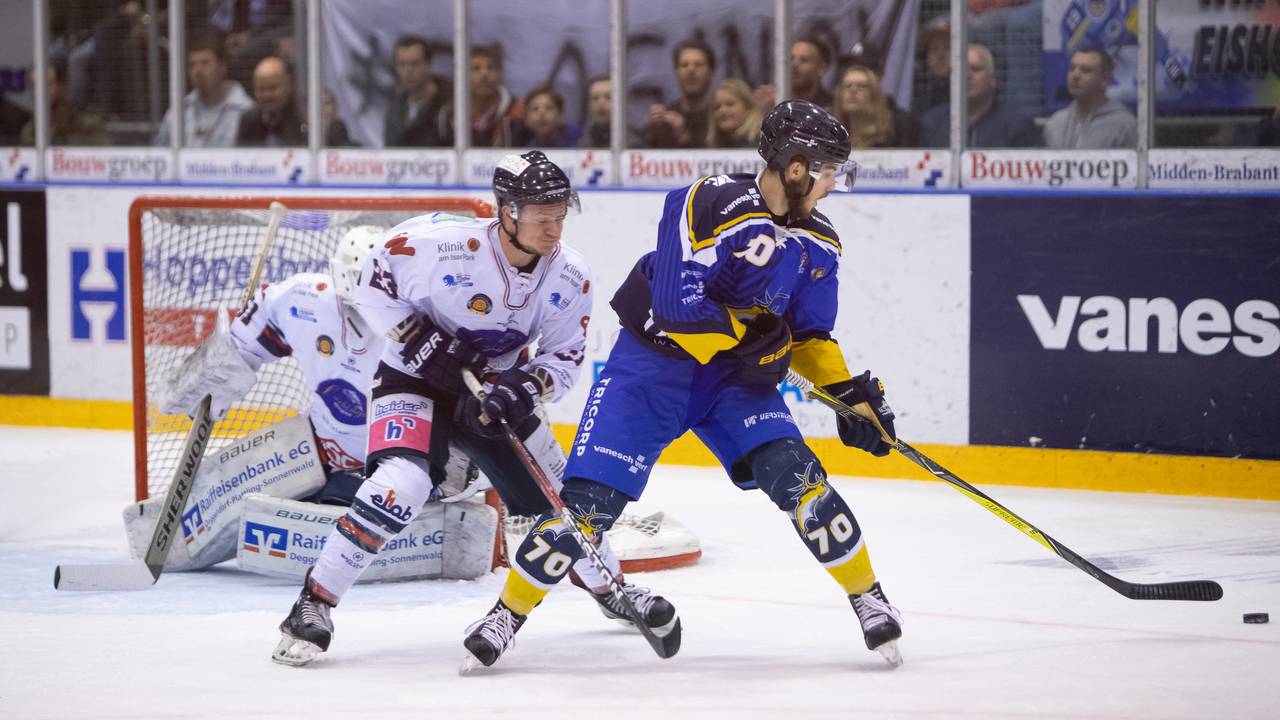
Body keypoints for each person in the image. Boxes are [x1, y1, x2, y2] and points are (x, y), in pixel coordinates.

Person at [461, 101, 905, 670]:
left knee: (802, 483)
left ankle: (869, 596)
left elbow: (811, 334)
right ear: (796, 168)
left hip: (734, 383)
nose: (831, 186)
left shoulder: (821, 244)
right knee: (585, 511)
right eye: (826, 172)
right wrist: (760, 337)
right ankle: (505, 617)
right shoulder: (711, 201)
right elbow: (677, 309)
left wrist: (849, 396)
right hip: (651, 369)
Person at [273, 151, 671, 667]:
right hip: (414, 379)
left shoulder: (570, 276)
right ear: (506, 211)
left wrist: (525, 387)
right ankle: (314, 602)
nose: (553, 229)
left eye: (559, 216)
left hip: (495, 393)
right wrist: (415, 337)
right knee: (402, 484)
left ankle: (611, 589)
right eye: (540, 216)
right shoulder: (440, 245)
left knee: (563, 503)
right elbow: (372, 281)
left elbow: (565, 357)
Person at [920, 45, 1039, 148]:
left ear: (993, 79)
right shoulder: (933, 122)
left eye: (975, 69)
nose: (966, 75)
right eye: (960, 70)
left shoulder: (1016, 125)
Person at [153, 35, 254, 148]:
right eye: (192, 65)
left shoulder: (246, 110)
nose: (197, 70)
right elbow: (160, 155)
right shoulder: (179, 111)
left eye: (205, 63)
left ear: (223, 66)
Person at [1043, 47, 1136, 149]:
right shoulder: (1056, 123)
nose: (1075, 75)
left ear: (1105, 79)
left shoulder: (1124, 125)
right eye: (1072, 68)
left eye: (1086, 70)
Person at [442, 46, 523, 147]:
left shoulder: (518, 112)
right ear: (461, 75)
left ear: (500, 74)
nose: (484, 74)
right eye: (476, 68)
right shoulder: (447, 115)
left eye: (491, 68)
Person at [645, 38, 715, 148]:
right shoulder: (666, 120)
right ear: (677, 73)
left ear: (711, 73)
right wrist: (652, 134)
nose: (691, 70)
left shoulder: (720, 115)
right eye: (684, 65)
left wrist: (683, 137)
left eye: (699, 65)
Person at [383, 35, 450, 147]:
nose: (408, 71)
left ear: (429, 65)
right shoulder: (395, 108)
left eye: (415, 64)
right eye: (402, 64)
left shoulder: (448, 105)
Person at [21, 60, 107, 146]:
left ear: (61, 86)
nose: (41, 91)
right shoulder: (30, 132)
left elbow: (104, 155)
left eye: (48, 84)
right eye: (35, 85)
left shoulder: (86, 125)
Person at [832, 65, 918, 149]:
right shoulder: (832, 135)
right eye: (847, 86)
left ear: (874, 94)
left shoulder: (896, 131)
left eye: (861, 86)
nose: (853, 90)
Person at [236, 55, 307, 147]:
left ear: (289, 85)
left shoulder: (304, 120)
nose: (267, 95)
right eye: (262, 89)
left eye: (273, 88)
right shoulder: (248, 121)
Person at [512, 86, 578, 148]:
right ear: (526, 119)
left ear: (560, 115)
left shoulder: (578, 141)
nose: (541, 114)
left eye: (549, 108)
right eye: (535, 109)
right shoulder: (525, 153)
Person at [706, 78, 763, 148]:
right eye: (717, 107)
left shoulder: (763, 143)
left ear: (748, 107)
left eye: (730, 104)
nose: (723, 110)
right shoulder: (714, 146)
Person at [789, 37, 834, 109]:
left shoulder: (833, 109)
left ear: (821, 68)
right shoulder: (777, 102)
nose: (794, 64)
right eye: (791, 59)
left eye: (804, 60)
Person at [578, 75, 611, 148]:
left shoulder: (635, 144)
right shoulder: (581, 144)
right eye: (595, 98)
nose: (601, 103)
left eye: (608, 97)